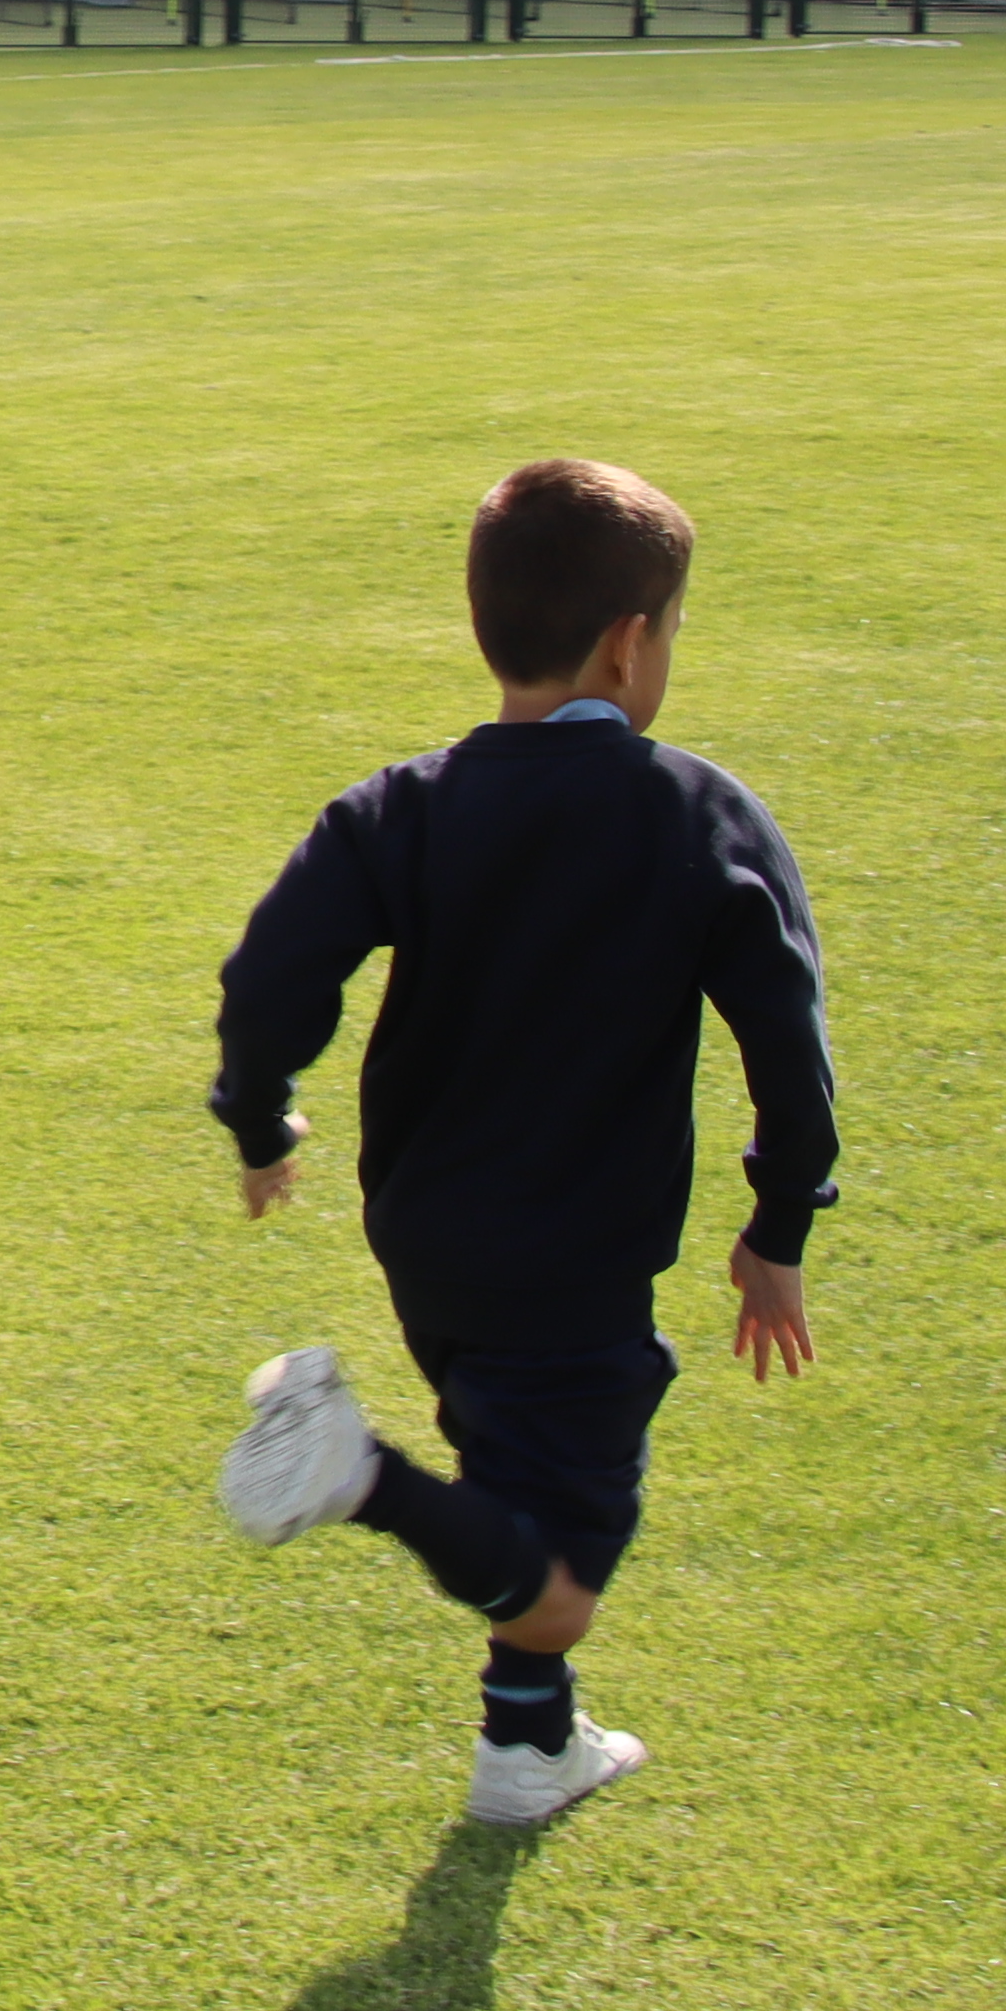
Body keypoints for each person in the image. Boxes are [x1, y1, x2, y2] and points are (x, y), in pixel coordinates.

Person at [206, 456, 839, 1831]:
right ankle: (360, 1477)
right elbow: (787, 1042)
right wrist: (779, 1226)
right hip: (576, 1259)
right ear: (630, 643)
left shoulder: (401, 807)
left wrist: (261, 1120)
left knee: (519, 1483)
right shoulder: (698, 814)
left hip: (428, 1240)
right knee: (563, 1575)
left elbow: (267, 980)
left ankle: (528, 1746)